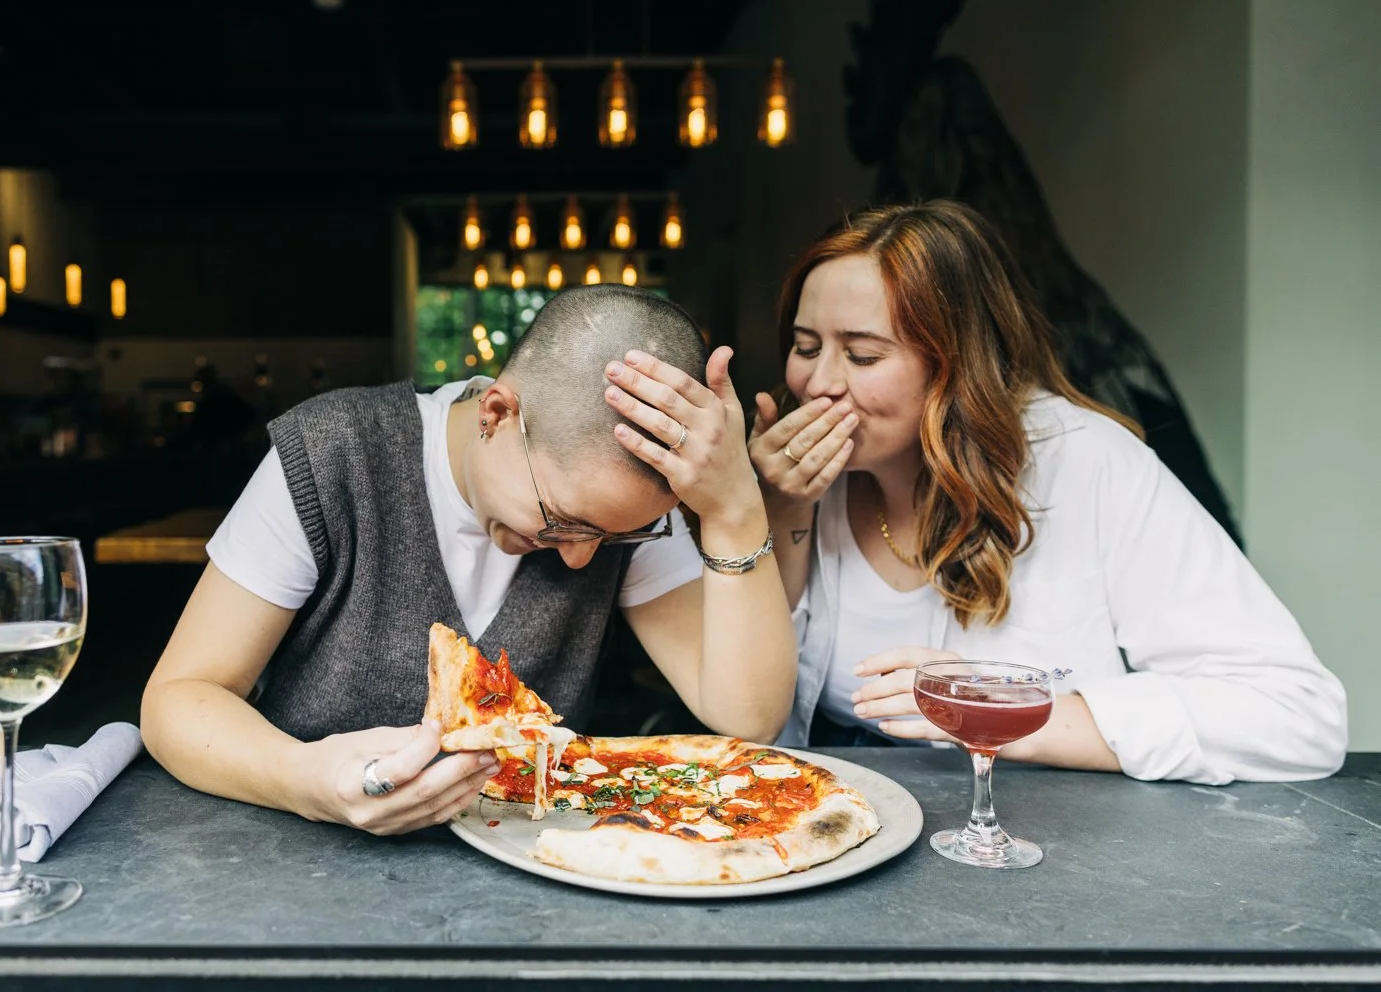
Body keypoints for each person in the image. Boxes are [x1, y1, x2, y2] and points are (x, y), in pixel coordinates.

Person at [141, 285, 791, 835]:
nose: (580, 559)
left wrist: (735, 509)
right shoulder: (330, 452)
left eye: (614, 539)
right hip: (300, 862)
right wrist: (309, 782)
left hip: (533, 880)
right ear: (496, 412)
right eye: (562, 523)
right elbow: (177, 700)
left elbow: (747, 715)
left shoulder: (621, 511)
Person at [748, 200, 1346, 784]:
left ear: (957, 366)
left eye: (862, 355)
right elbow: (752, 702)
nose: (817, 383)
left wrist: (1008, 712)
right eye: (805, 348)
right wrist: (781, 507)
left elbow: (1297, 714)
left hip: (1042, 842)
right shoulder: (791, 481)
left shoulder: (1091, 463)